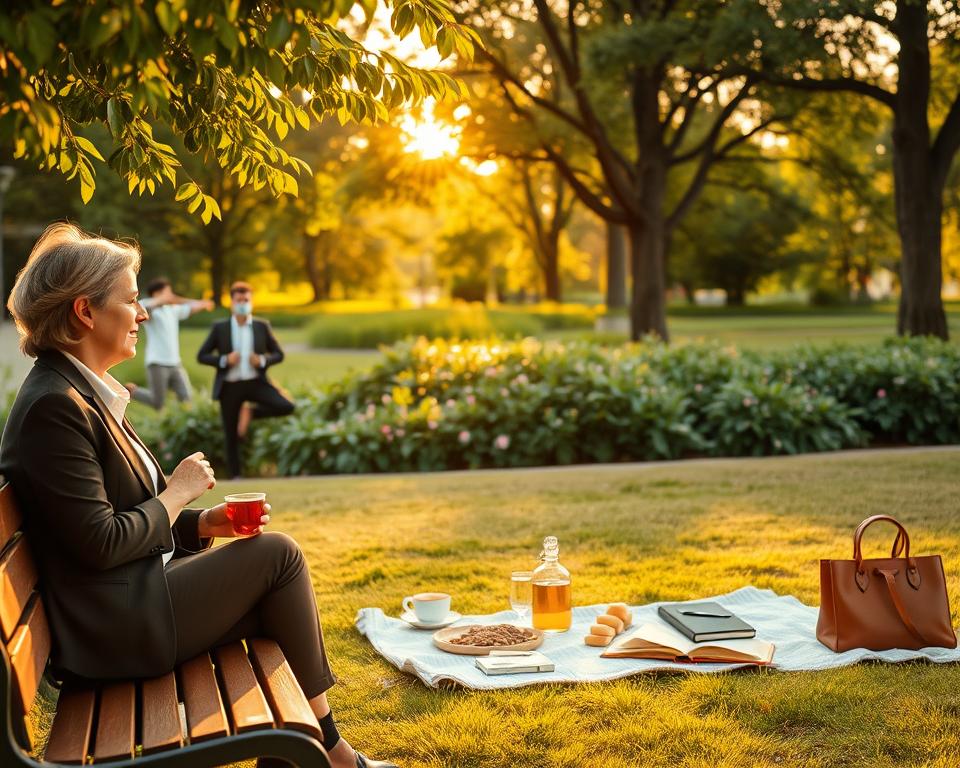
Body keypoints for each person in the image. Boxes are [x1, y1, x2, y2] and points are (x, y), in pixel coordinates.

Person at [0, 223, 396, 768]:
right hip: (116, 628)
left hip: (128, 604)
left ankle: (308, 753)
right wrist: (177, 494)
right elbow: (99, 541)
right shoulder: (55, 407)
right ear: (85, 312)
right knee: (278, 556)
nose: (142, 315)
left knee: (271, 605)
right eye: (132, 301)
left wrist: (200, 525)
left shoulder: (75, 392)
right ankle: (333, 753)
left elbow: (106, 520)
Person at [197, 281, 295, 479]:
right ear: (232, 302)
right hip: (230, 386)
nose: (243, 303)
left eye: (246, 300)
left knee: (286, 406)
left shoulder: (261, 326)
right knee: (231, 434)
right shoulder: (221, 327)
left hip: (255, 383)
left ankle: (250, 412)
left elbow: (279, 354)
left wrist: (262, 360)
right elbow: (202, 355)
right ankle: (236, 477)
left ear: (251, 302)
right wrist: (224, 360)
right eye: (239, 300)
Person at [125, 277, 214, 410]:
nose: (170, 296)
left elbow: (190, 308)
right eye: (167, 292)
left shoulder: (172, 310)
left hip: (175, 364)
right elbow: (141, 311)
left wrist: (202, 303)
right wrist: (166, 299)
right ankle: (132, 391)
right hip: (157, 363)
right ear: (156, 293)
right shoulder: (146, 306)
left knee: (187, 399)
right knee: (157, 402)